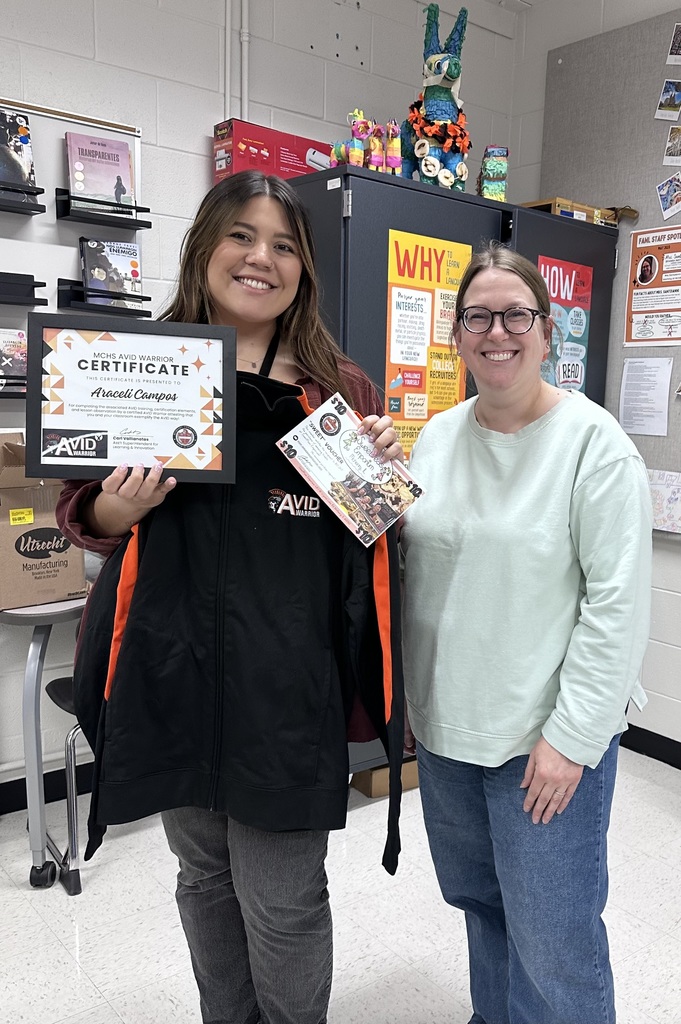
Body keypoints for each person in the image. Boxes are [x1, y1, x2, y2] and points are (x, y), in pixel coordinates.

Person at [56, 170, 406, 1024]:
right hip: (170, 667)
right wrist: (118, 505)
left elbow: (376, 537)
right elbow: (80, 511)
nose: (261, 258)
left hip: (288, 684)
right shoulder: (140, 362)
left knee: (285, 901)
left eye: (284, 245)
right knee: (202, 879)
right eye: (242, 236)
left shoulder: (340, 387)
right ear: (204, 246)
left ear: (305, 269)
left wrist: (382, 471)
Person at [400, 242, 652, 1024]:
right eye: (477, 316)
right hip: (447, 733)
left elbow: (617, 603)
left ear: (546, 332)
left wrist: (572, 739)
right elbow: (414, 564)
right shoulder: (436, 437)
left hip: (542, 745)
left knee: (553, 940)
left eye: (516, 315)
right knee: (480, 904)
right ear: (456, 335)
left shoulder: (594, 444)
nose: (495, 331)